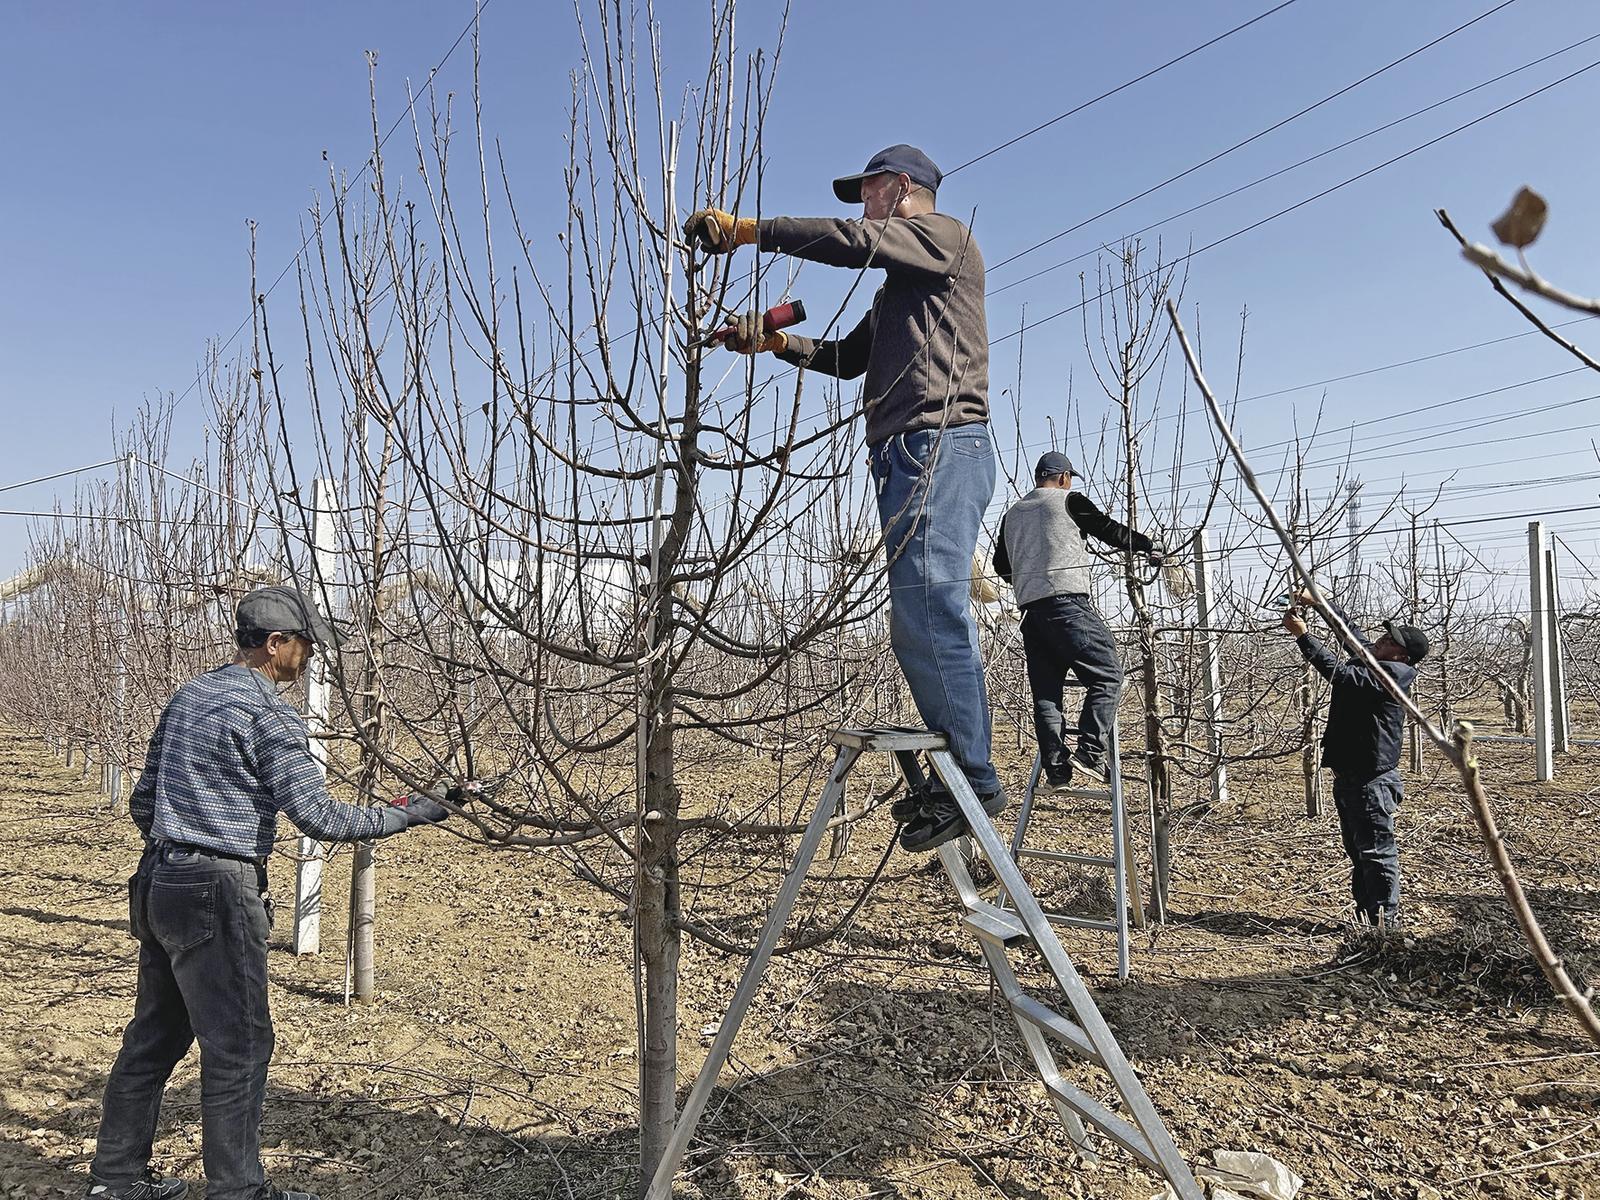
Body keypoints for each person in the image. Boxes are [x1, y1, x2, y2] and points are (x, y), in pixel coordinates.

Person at [87, 586, 470, 1200]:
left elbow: (142, 801)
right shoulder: (269, 714)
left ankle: (114, 1181)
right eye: (306, 646)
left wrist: (184, 839)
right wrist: (412, 811)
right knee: (239, 1045)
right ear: (275, 644)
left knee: (152, 1039)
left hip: (160, 881)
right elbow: (318, 817)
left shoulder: (189, 697)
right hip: (218, 886)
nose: (310, 658)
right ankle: (238, 1191)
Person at [684, 144, 1000, 852]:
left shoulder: (947, 239)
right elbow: (847, 361)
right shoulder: (901, 291)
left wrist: (747, 231)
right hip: (903, 455)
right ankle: (960, 770)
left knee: (931, 608)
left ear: (903, 187)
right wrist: (774, 344)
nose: (864, 205)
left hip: (941, 444)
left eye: (869, 191)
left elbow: (856, 243)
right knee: (916, 618)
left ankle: (974, 781)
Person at [993, 451, 1162, 791]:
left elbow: (1000, 566)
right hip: (1067, 604)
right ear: (1064, 478)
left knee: (1046, 695)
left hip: (1030, 612)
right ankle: (1089, 753)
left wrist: (1032, 575)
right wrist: (1147, 545)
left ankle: (1057, 770)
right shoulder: (1070, 501)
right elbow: (1108, 529)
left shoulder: (1012, 514)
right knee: (1108, 675)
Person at [1282, 589, 1428, 929]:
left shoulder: (1396, 675)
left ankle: (1383, 927)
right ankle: (1367, 920)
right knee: (1359, 852)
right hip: (1352, 778)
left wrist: (1304, 638)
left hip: (1371, 783)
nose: (1379, 639)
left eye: (1389, 640)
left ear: (1403, 656)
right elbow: (1351, 635)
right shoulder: (1377, 661)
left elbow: (1343, 677)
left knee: (1376, 853)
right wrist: (1319, 602)